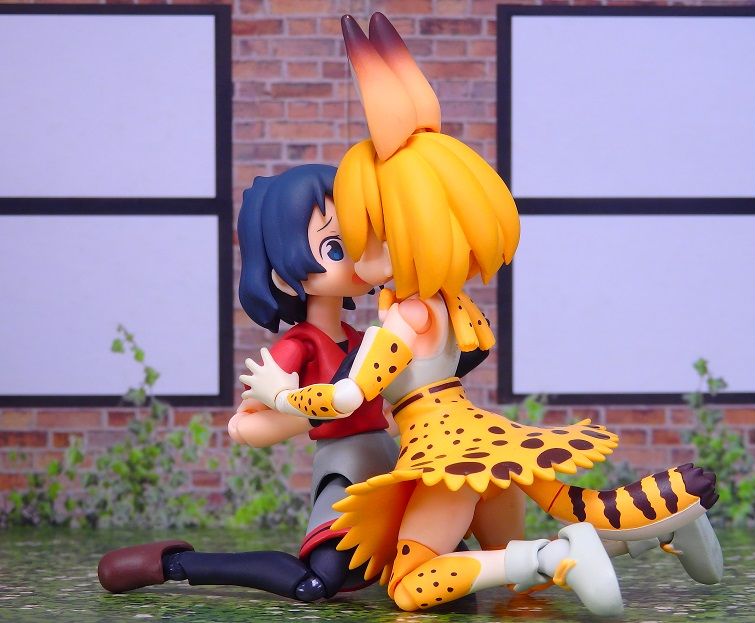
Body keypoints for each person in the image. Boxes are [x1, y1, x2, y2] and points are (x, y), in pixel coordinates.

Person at [242, 14, 722, 617]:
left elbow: (345, 396)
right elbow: (473, 351)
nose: (359, 248)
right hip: (482, 434)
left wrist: (282, 396)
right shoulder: (450, 303)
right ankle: (665, 525)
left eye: (367, 230)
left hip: (445, 456)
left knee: (411, 586)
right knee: (519, 554)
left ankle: (560, 557)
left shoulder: (400, 320)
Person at [98, 165, 398, 601]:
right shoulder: (300, 347)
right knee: (316, 583)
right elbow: (245, 425)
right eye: (336, 247)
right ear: (282, 270)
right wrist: (312, 410)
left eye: (360, 242)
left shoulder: (362, 339)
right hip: (346, 470)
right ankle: (176, 564)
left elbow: (386, 409)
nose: (355, 259)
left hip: (389, 462)